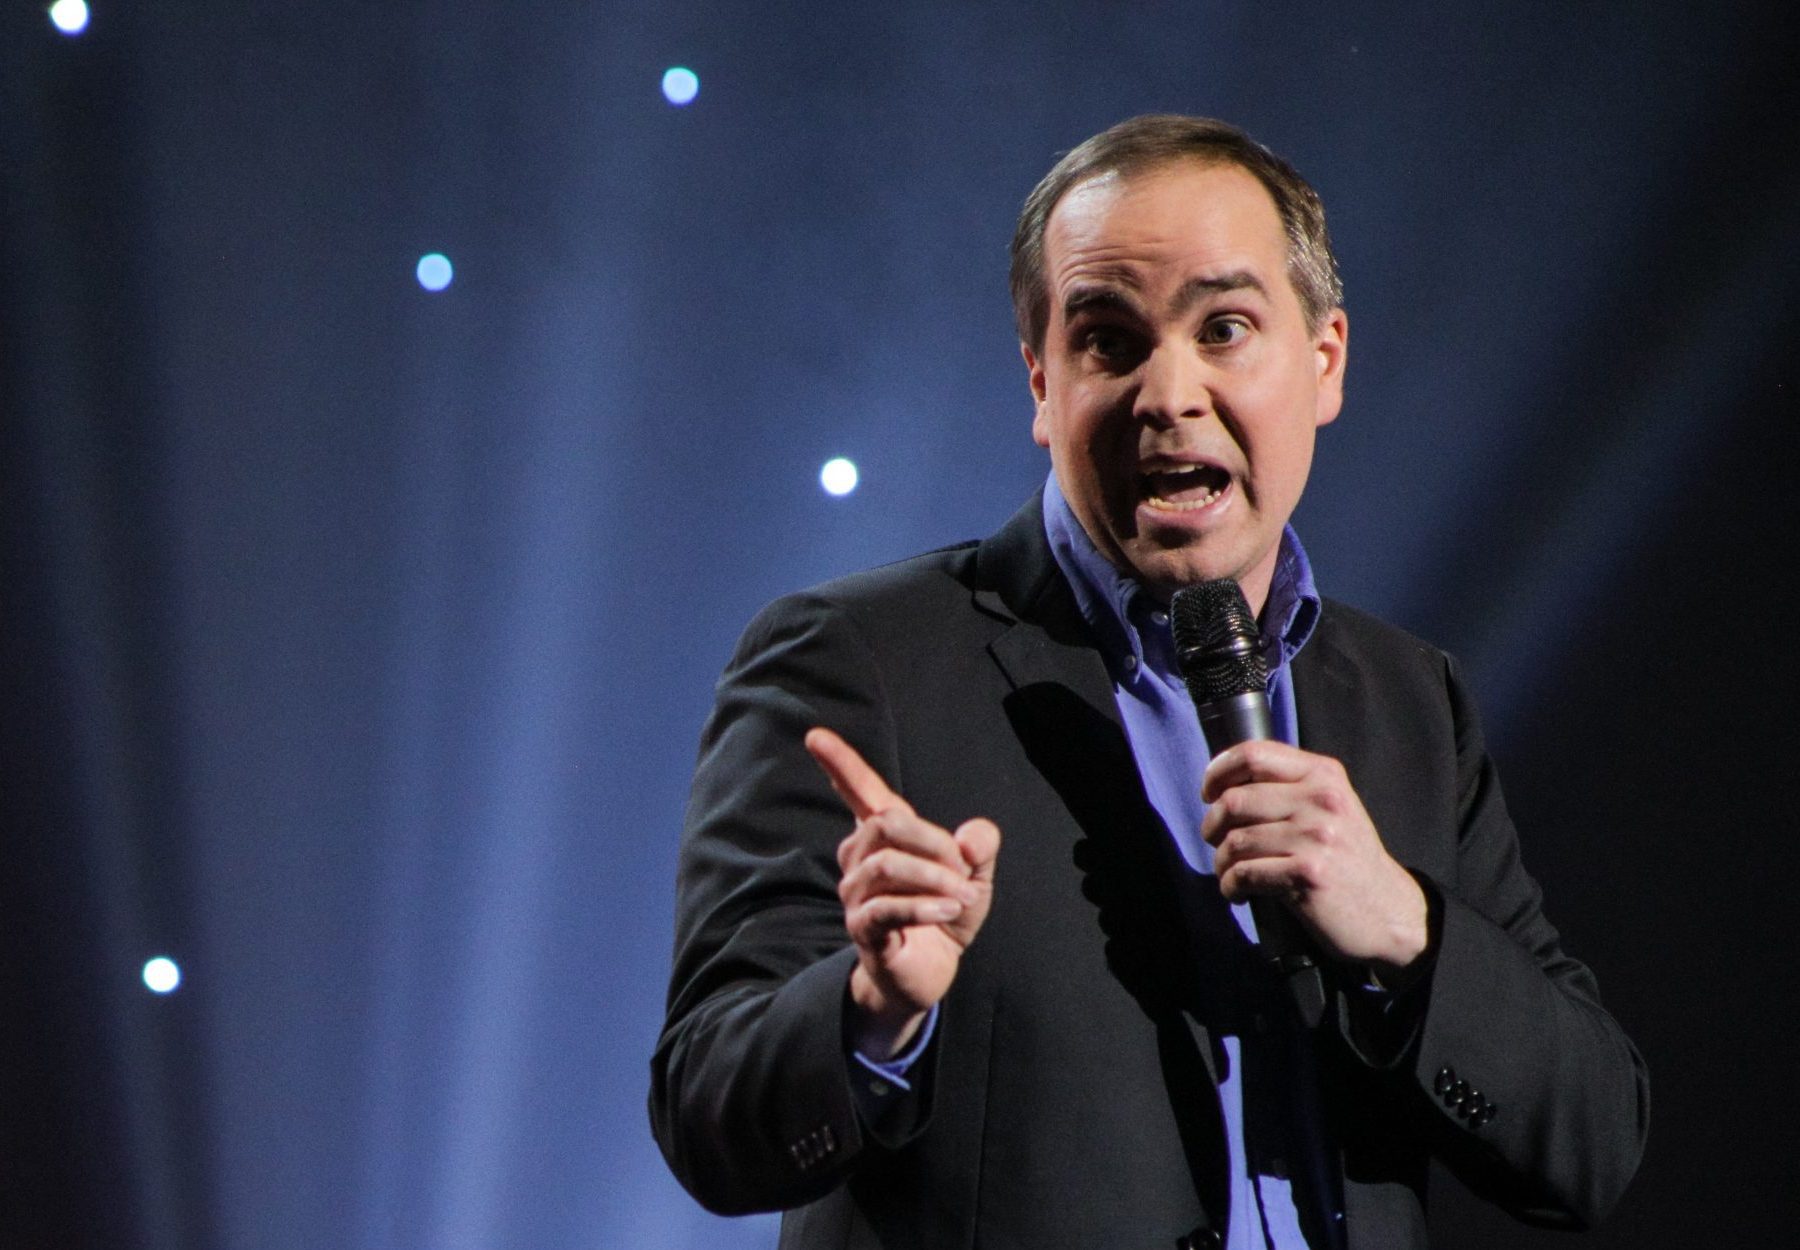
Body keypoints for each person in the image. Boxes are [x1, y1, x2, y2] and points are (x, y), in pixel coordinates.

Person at [649, 115, 1648, 1249]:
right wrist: (876, 1011)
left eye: (1224, 327)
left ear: (1324, 361)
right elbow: (706, 1109)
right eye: (1109, 341)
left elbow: (1593, 1141)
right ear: (1041, 383)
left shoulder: (1411, 698)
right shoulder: (857, 658)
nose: (1168, 391)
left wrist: (1406, 930)